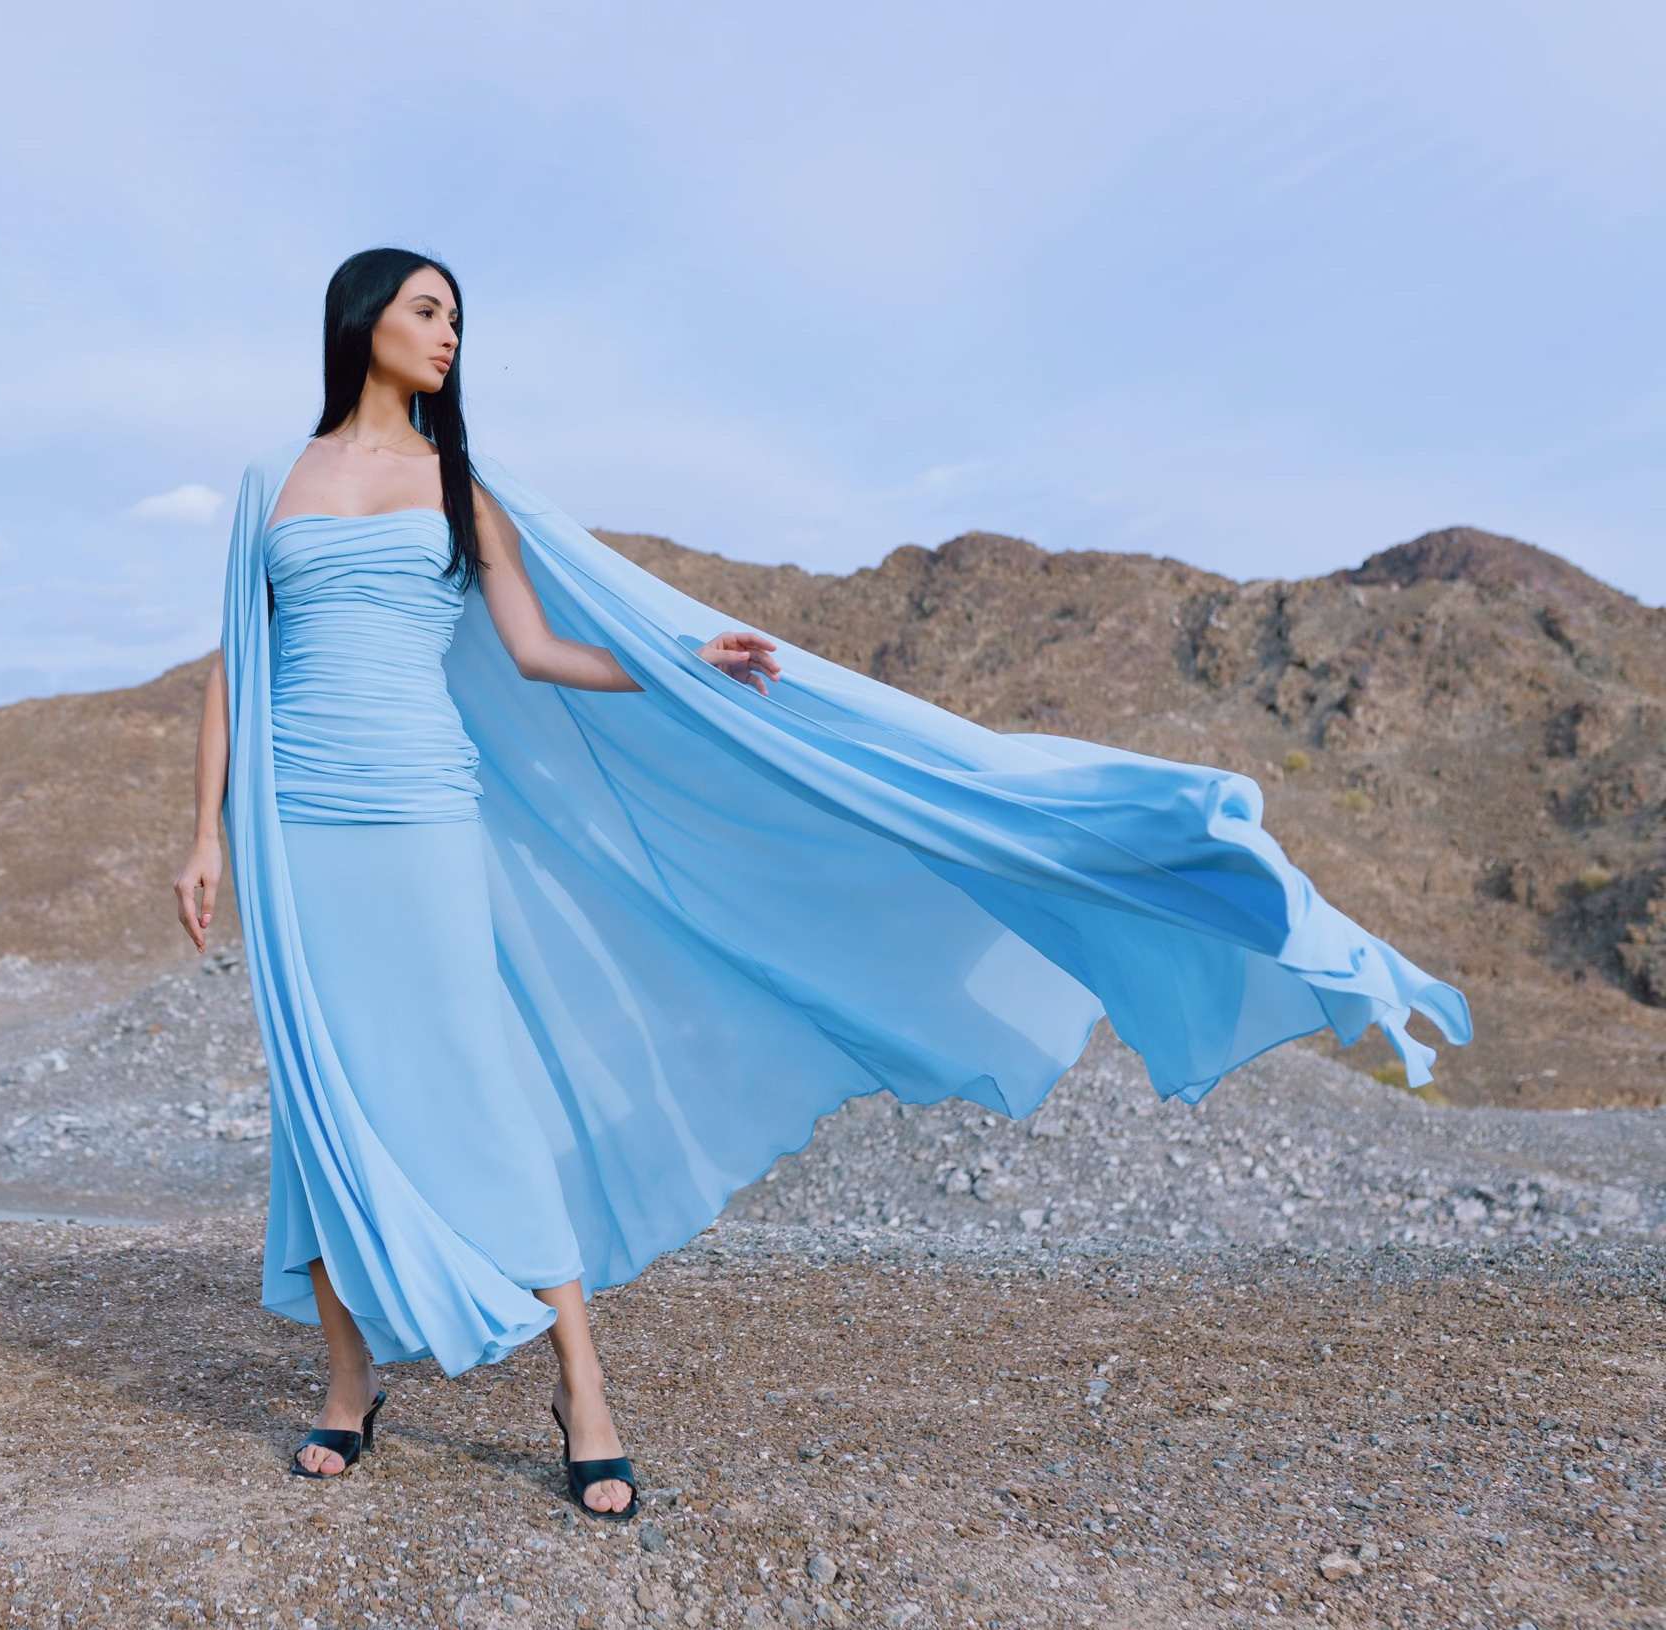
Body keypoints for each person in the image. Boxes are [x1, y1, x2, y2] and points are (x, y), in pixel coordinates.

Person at [173, 248, 1469, 1516]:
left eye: (458, 317)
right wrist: (207, 832)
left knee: (469, 1081)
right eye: (429, 310)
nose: (452, 335)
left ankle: (582, 1387)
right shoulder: (267, 480)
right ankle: (347, 1381)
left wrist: (691, 662)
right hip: (301, 832)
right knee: (322, 1092)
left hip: (420, 814)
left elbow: (540, 648)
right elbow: (237, 660)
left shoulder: (463, 483)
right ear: (364, 322)